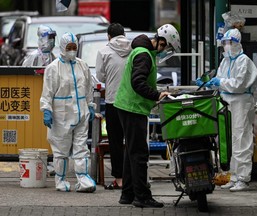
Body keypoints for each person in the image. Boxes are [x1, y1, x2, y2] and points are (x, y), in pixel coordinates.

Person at [114, 24, 181, 208]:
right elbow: (138, 82)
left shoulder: (143, 51)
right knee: (139, 154)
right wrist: (157, 95)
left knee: (131, 152)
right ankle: (142, 197)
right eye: (166, 47)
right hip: (133, 107)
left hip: (127, 106)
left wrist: (156, 93)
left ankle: (127, 194)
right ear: (160, 41)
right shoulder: (144, 54)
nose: (164, 51)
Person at [196, 28, 257, 192]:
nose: (226, 46)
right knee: (230, 140)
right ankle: (233, 176)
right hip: (227, 102)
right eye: (224, 43)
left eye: (229, 42)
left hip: (241, 102)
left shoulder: (243, 61)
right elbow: (221, 80)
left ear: (237, 43)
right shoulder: (225, 61)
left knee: (241, 139)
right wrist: (209, 82)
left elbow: (238, 85)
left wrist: (219, 82)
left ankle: (243, 178)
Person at [40, 32, 96, 192]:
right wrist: (46, 110)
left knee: (81, 147)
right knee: (61, 150)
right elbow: (47, 92)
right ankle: (60, 180)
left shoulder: (82, 65)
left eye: (74, 47)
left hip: (81, 114)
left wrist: (90, 105)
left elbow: (88, 87)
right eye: (69, 47)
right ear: (63, 48)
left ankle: (83, 179)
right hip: (61, 115)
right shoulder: (53, 68)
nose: (72, 50)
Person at [96, 23, 131, 190]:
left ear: (108, 36)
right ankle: (133, 177)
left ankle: (119, 179)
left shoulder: (103, 51)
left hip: (112, 101)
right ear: (123, 34)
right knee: (131, 140)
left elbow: (100, 76)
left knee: (115, 142)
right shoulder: (134, 48)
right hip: (131, 102)